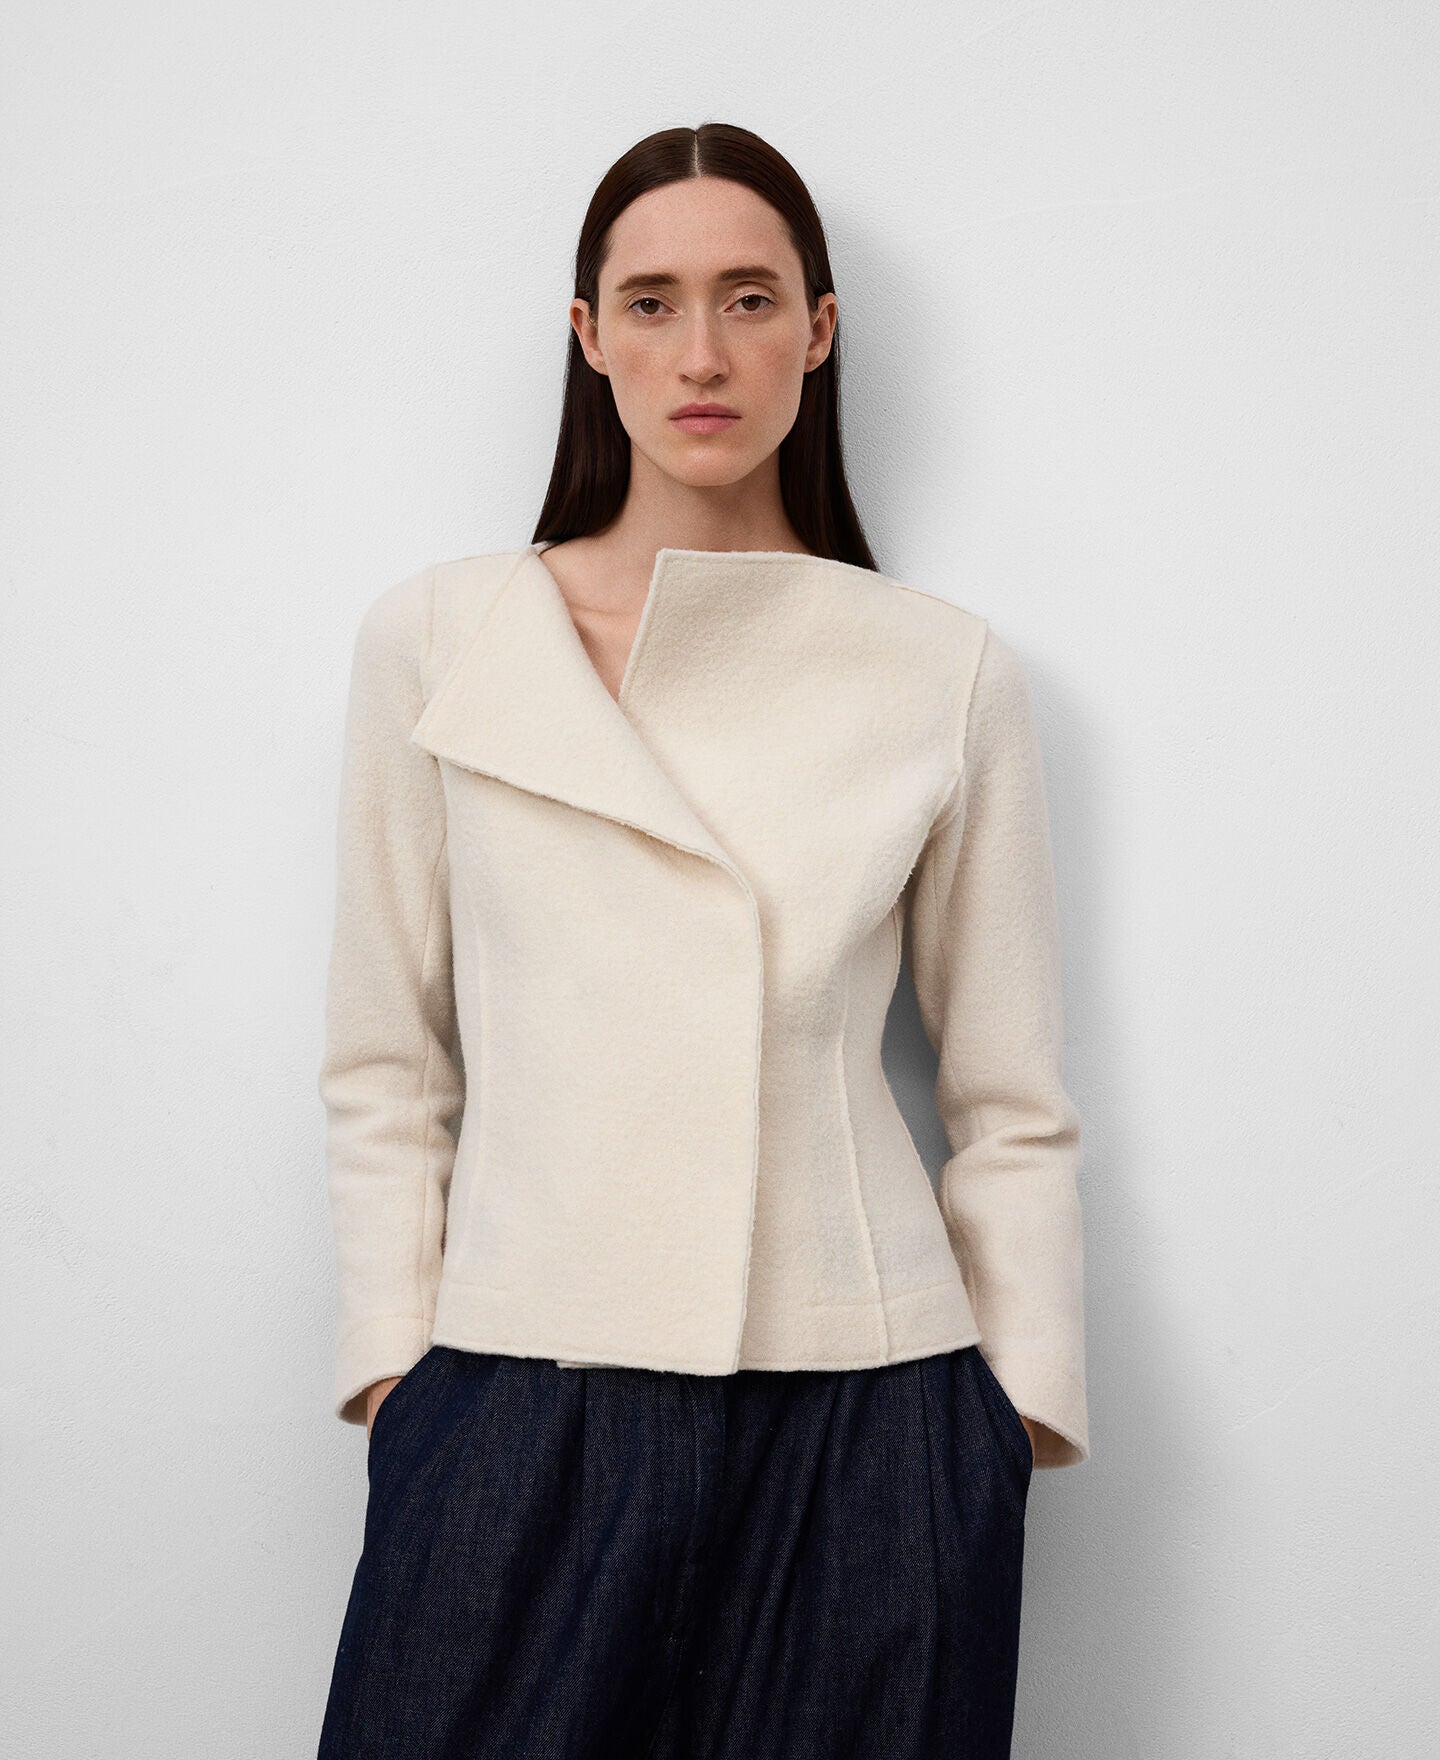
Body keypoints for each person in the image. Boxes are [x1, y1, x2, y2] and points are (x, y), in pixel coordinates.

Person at [315, 121, 1089, 1760]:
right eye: (651, 303)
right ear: (588, 337)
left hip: (869, 1411)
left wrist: (1008, 1420)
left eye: (750, 299)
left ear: (819, 329)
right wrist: (399, 1376)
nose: (703, 354)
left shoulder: (940, 671)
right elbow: (387, 1063)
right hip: (518, 1391)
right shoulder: (444, 639)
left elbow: (1008, 1096)